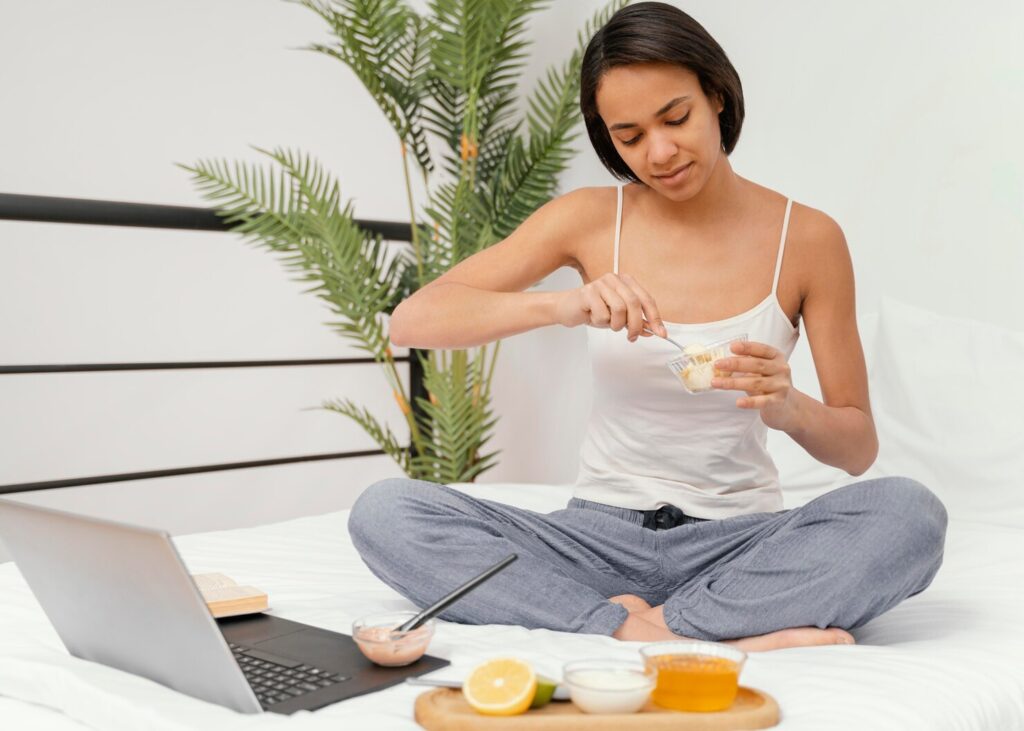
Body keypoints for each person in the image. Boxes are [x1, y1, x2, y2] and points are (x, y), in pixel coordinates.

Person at [347, 2, 947, 651]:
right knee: (387, 512)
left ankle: (632, 623)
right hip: (593, 538)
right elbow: (415, 318)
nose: (659, 152)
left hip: (739, 540)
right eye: (629, 136)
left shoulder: (806, 238)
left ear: (716, 94)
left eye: (676, 117)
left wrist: (788, 405)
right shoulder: (588, 219)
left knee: (910, 515)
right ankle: (704, 630)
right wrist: (562, 305)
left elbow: (857, 448)